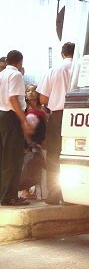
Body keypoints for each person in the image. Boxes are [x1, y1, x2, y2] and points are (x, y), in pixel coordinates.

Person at [36, 42, 75, 205]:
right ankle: (73, 195)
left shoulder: (54, 70)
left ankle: (54, 194)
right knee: (74, 156)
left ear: (62, 53)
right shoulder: (82, 69)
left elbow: (43, 99)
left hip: (58, 116)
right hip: (78, 115)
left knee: (54, 155)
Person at [0, 50, 33, 206]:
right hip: (11, 116)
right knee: (13, 159)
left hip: (2, 116)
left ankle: (4, 195)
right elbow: (13, 98)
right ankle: (10, 197)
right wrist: (23, 120)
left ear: (7, 61)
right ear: (20, 62)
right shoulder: (16, 75)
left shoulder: (1, 74)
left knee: (4, 158)